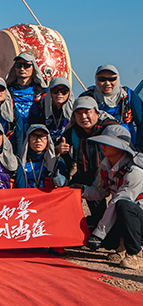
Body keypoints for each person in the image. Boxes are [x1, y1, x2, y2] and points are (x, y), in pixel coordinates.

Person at [79, 125, 143, 269]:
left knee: (124, 206)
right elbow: (99, 192)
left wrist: (99, 234)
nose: (103, 145)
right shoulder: (105, 165)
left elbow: (119, 201)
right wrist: (82, 190)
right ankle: (120, 247)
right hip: (123, 217)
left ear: (121, 148)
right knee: (85, 228)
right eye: (103, 142)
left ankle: (135, 254)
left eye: (108, 143)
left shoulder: (135, 172)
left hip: (139, 219)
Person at [63, 96, 120, 228]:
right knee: (67, 191)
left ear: (96, 113)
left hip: (112, 174)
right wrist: (59, 149)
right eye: (79, 113)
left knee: (118, 208)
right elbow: (60, 151)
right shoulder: (73, 130)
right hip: (86, 174)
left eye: (87, 112)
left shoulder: (109, 128)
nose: (83, 117)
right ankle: (75, 227)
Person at [80, 65, 143, 150]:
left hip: (126, 148)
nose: (107, 83)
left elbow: (141, 122)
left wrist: (138, 149)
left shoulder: (129, 96)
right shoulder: (87, 97)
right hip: (97, 149)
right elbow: (76, 122)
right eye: (102, 79)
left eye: (112, 79)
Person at [5, 52, 48, 128]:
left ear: (33, 68)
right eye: (18, 65)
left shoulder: (41, 91)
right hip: (13, 130)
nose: (22, 69)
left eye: (26, 65)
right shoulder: (6, 90)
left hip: (35, 130)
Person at [28, 76, 73, 145]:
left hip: (65, 146)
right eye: (55, 90)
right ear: (50, 91)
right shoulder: (38, 107)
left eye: (64, 91)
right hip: (44, 146)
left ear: (69, 93)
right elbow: (34, 132)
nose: (59, 93)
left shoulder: (74, 109)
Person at [21, 124, 68, 189]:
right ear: (28, 140)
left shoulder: (57, 163)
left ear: (48, 141)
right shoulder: (20, 163)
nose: (38, 140)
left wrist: (64, 182)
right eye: (34, 136)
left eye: (42, 136)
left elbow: (67, 187)